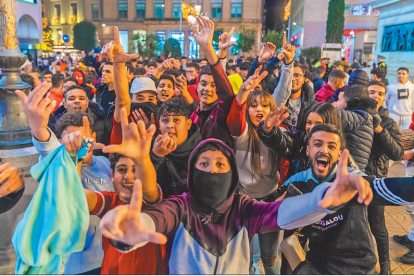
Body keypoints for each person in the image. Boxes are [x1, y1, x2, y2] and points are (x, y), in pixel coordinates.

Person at [99, 123, 374, 274]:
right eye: (203, 164)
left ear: (232, 174)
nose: (212, 170)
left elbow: (280, 213)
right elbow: (155, 218)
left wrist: (321, 198)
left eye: (221, 165)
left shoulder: (243, 209)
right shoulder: (181, 206)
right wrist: (130, 227)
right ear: (192, 170)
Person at [276, 123, 414, 274]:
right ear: (308, 150)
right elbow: (262, 210)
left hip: (358, 267)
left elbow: (391, 188)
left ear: (340, 155)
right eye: (318, 144)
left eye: (331, 146)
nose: (324, 150)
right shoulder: (296, 183)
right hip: (317, 263)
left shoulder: (352, 181)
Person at [227, 67, 285, 274]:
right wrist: (243, 91)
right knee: (247, 255)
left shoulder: (280, 134)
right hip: (245, 204)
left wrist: (287, 67)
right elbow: (234, 114)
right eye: (253, 106)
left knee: (270, 256)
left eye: (265, 106)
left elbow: (283, 91)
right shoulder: (241, 134)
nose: (259, 109)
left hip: (271, 201)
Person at [366, 80, 404, 273]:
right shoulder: (355, 117)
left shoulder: (389, 123)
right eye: (371, 92)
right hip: (353, 180)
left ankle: (386, 265)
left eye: (379, 93)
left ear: (384, 97)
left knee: (378, 228)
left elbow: (397, 154)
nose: (375, 96)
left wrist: (380, 130)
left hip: (376, 181)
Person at [150, 98, 201, 198]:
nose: (170, 126)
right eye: (165, 120)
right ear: (159, 125)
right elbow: (146, 188)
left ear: (188, 124)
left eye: (176, 120)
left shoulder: (201, 152)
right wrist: (156, 157)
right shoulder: (151, 148)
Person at [333, 85, 379, 172]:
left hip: (350, 171)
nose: (336, 103)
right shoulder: (364, 116)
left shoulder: (360, 117)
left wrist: (328, 108)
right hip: (353, 169)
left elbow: (333, 115)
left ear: (349, 102)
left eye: (339, 100)